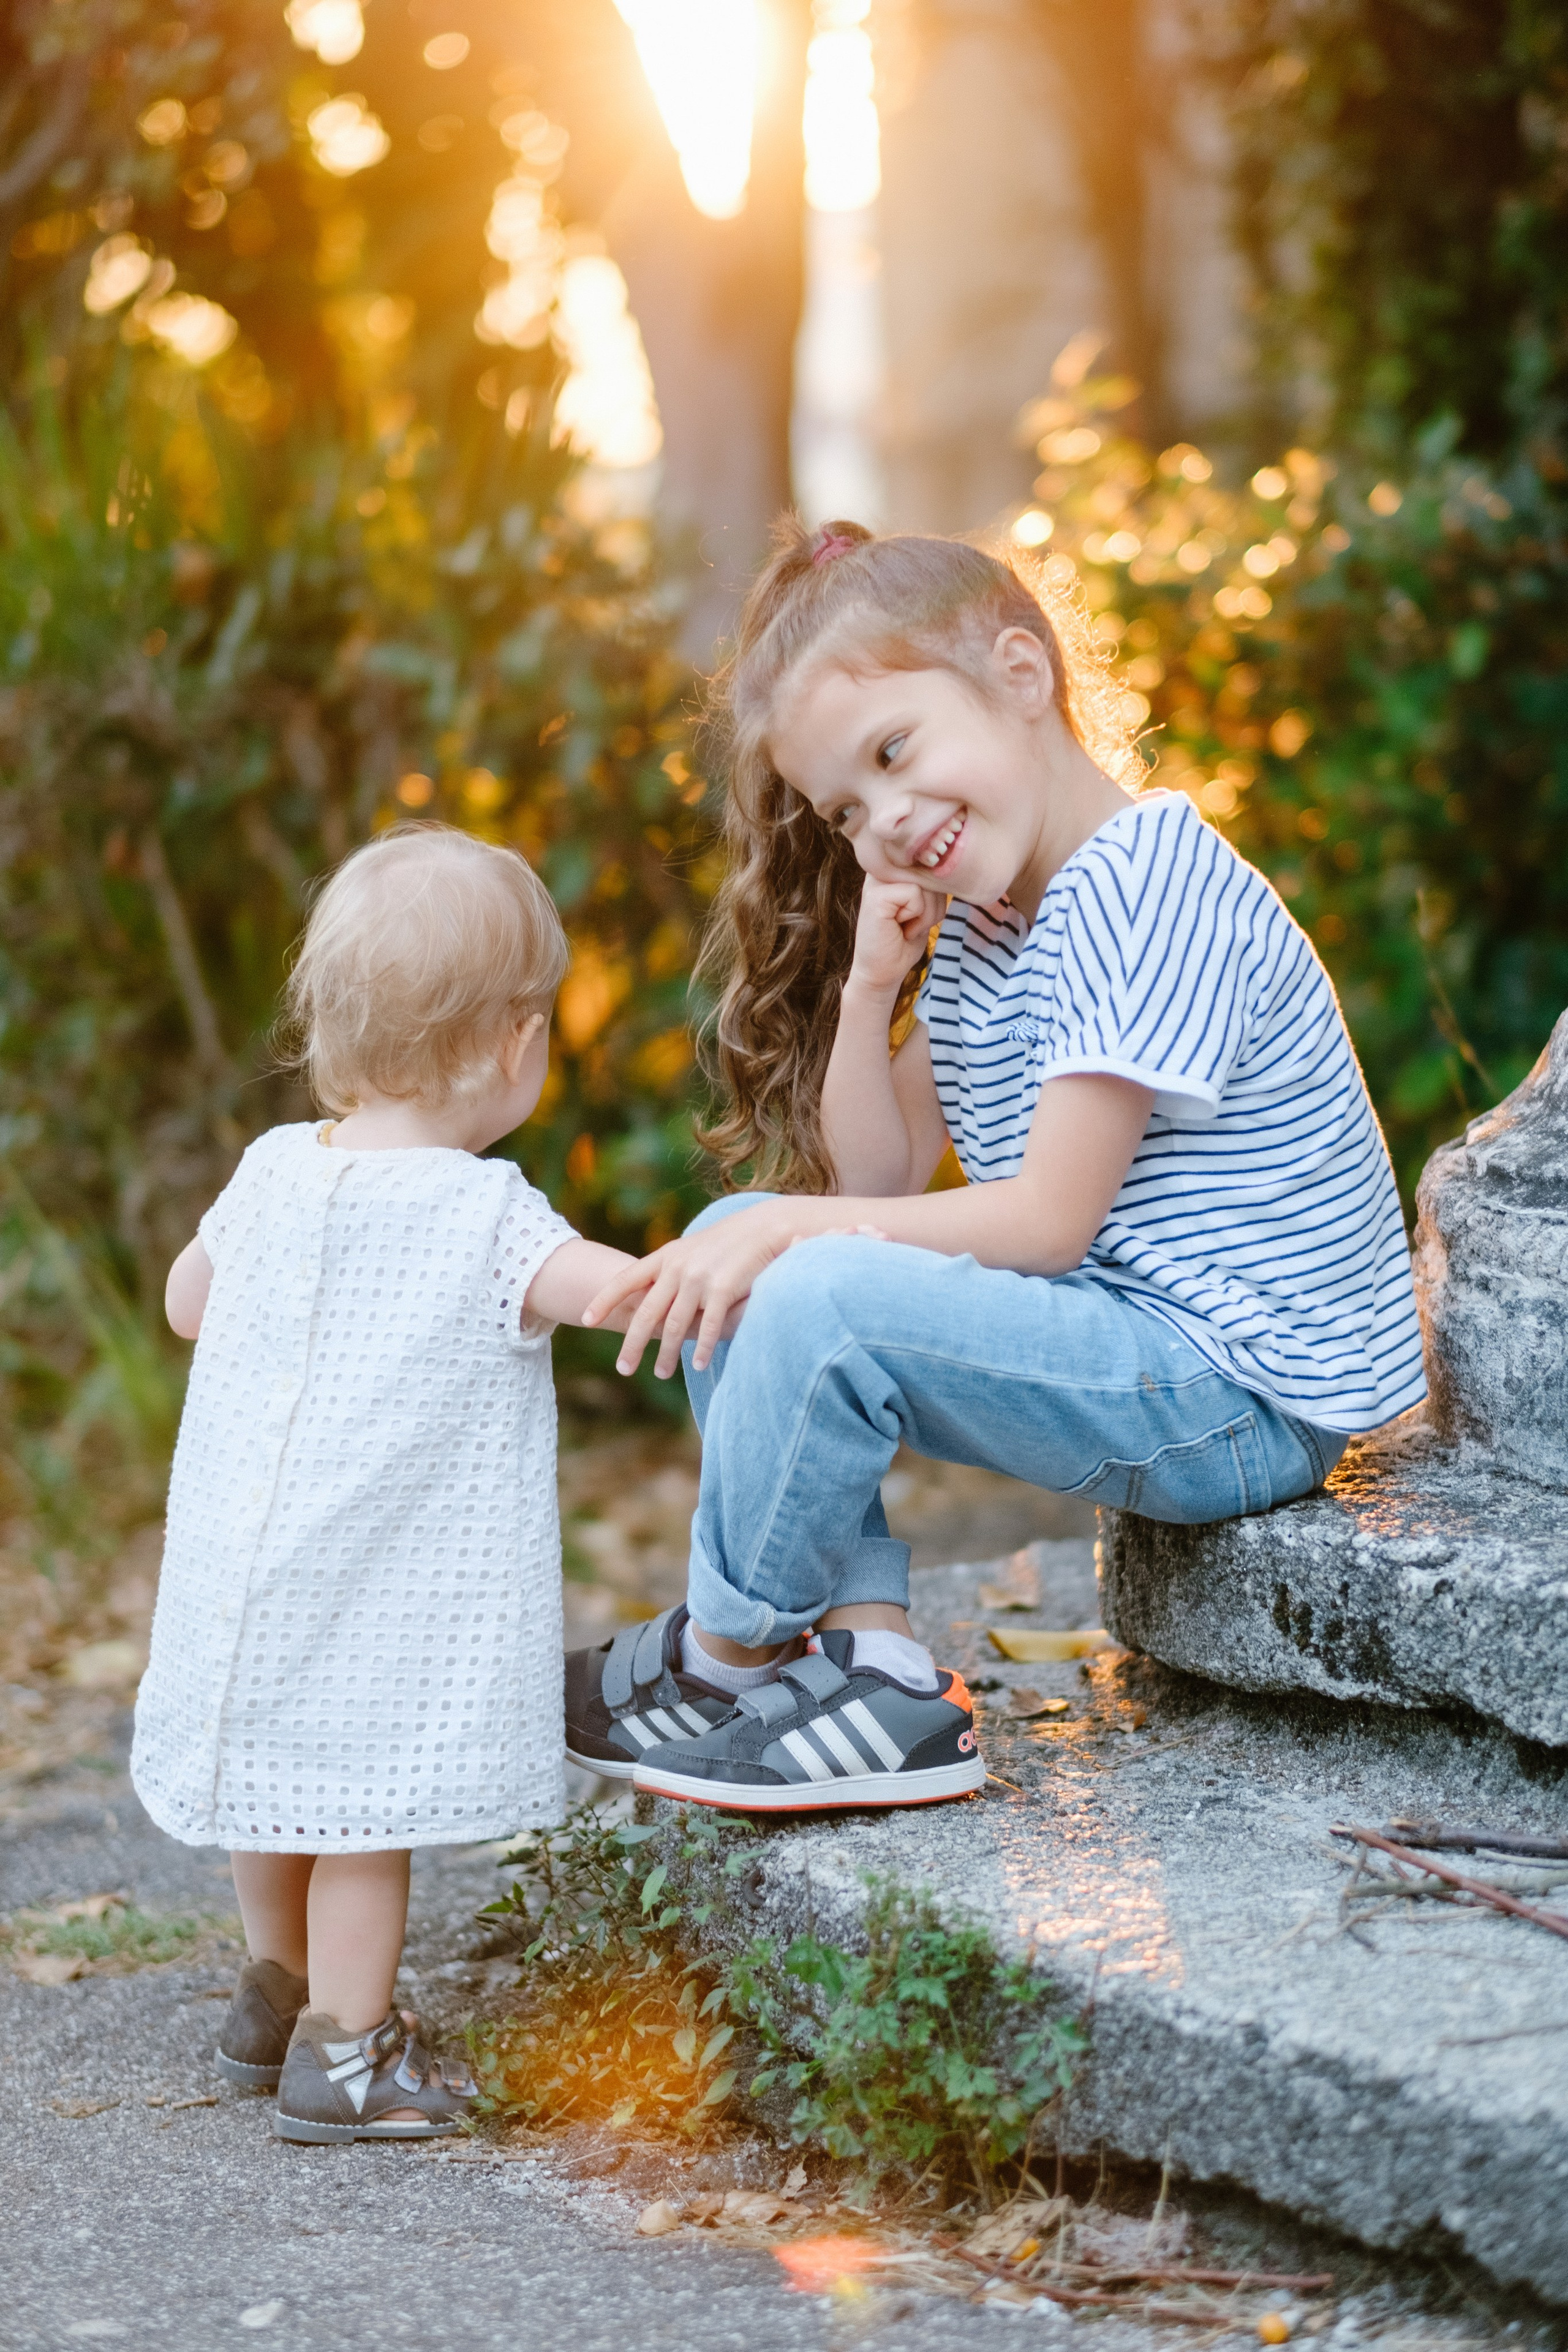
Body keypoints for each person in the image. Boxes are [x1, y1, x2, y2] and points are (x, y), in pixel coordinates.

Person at [563, 518, 1427, 1814]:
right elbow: (880, 1181)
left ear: (1021, 675)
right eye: (845, 810)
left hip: (1244, 1393)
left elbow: (1048, 1220)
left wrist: (792, 1240)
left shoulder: (1146, 884)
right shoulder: (989, 924)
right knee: (745, 1238)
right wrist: (872, 989)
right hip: (1145, 1344)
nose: (884, 823)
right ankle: (872, 1666)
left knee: (798, 1269)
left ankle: (726, 1661)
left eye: (893, 753)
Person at [132, 826, 638, 2142]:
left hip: (253, 1576)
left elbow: (186, 1305)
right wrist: (688, 1284)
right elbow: (599, 1292)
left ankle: (274, 1995)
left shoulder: (273, 1169)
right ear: (514, 1042)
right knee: (364, 1811)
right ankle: (348, 2053)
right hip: (374, 1598)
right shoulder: (486, 1210)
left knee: (272, 1785)